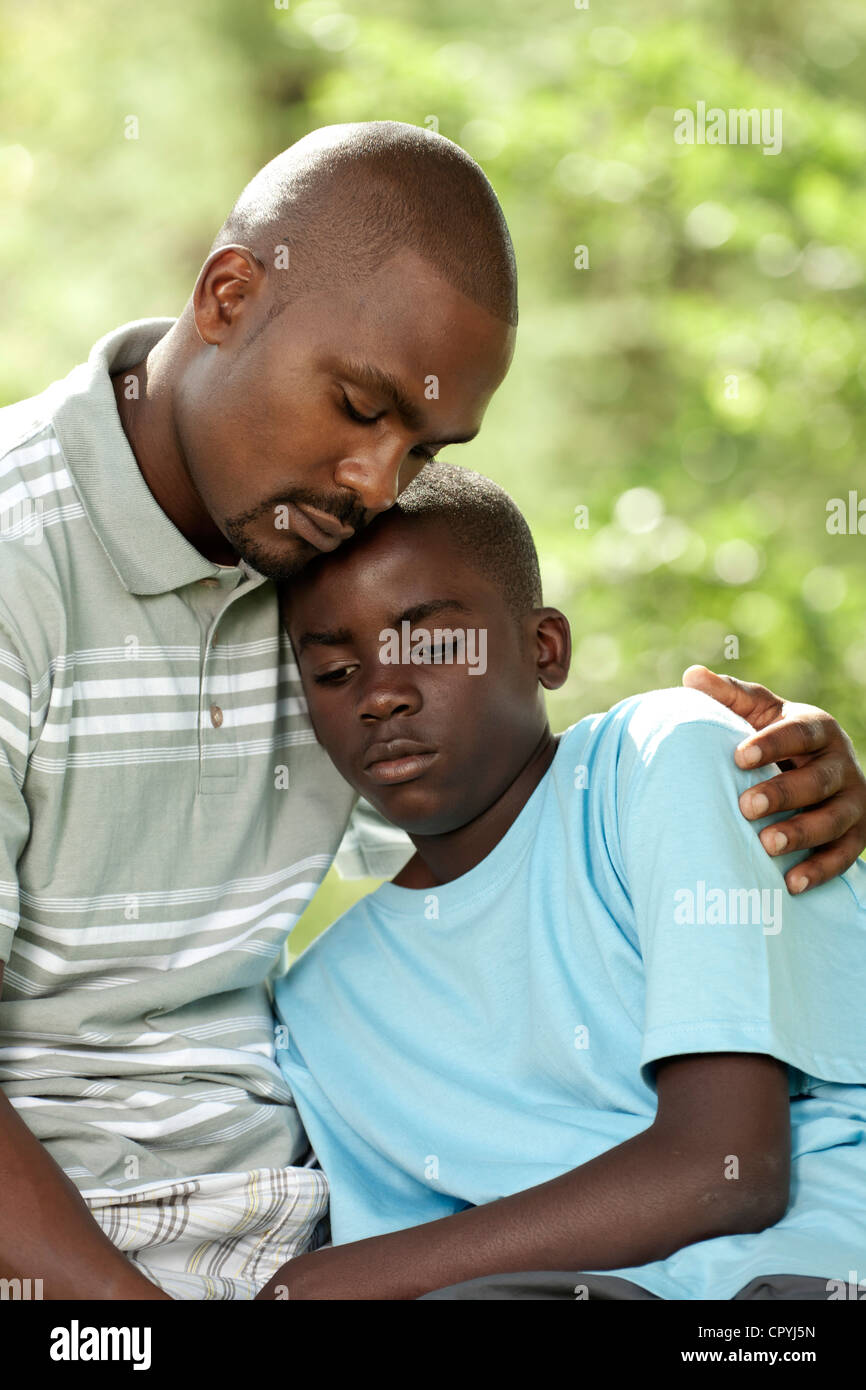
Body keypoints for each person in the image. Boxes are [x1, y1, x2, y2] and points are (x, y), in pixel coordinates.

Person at [0, 120, 863, 1301]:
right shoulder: (19, 563)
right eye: (359, 408)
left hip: (304, 1222)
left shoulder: (313, 558)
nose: (372, 484)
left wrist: (769, 763)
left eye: (421, 448)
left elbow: (510, 790)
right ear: (228, 293)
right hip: (73, 1259)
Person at [263, 461, 866, 1301]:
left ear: (545, 648)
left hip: (795, 1282)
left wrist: (329, 1284)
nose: (382, 696)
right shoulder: (324, 1002)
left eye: (431, 645)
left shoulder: (661, 760)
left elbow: (730, 1171)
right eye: (334, 673)